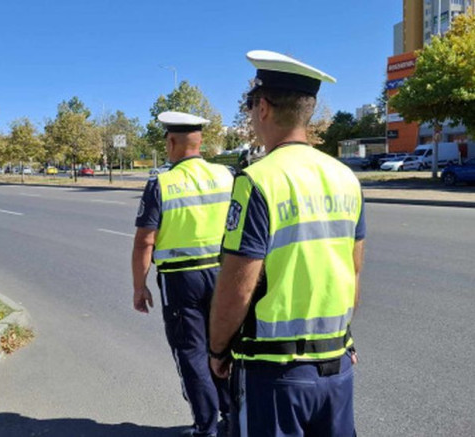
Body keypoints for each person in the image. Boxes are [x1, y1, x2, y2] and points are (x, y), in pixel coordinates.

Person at [208, 51, 366, 437]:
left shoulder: (257, 180)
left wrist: (216, 349)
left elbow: (237, 286)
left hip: (272, 373)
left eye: (250, 108)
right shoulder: (346, 178)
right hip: (336, 366)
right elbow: (353, 269)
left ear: (262, 107)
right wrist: (343, 339)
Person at [132, 111, 234, 437]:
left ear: (171, 141)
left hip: (181, 281)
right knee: (226, 348)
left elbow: (145, 241)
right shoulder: (228, 176)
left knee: (192, 354)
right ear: (201, 140)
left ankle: (207, 428)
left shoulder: (160, 183)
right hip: (225, 275)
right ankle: (234, 418)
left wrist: (140, 286)